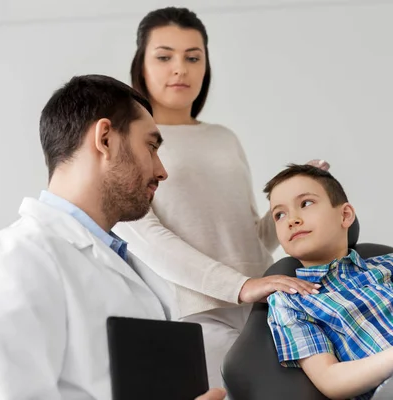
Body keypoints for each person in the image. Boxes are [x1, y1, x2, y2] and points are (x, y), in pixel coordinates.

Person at [0, 75, 225, 400]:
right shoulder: (11, 262)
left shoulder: (133, 268)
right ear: (105, 138)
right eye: (151, 146)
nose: (162, 170)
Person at [113, 6, 328, 389]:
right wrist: (239, 286)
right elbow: (146, 238)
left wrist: (294, 202)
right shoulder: (133, 142)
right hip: (198, 314)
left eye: (193, 57)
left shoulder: (223, 137)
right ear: (141, 65)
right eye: (164, 57)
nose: (180, 69)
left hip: (266, 306)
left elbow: (253, 235)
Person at [262, 164, 393, 400]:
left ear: (345, 215)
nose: (292, 220)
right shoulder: (290, 302)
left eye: (306, 203)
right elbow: (331, 380)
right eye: (280, 214)